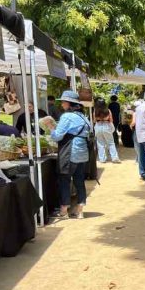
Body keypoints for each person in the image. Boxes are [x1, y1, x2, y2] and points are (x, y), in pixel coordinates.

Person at [46, 91, 91, 219]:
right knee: (79, 181)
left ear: (69, 103)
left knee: (64, 180)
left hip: (70, 152)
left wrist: (50, 127)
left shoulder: (67, 117)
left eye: (63, 101)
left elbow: (57, 136)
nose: (62, 104)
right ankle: (80, 210)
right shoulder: (84, 117)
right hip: (82, 153)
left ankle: (64, 210)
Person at [93, 99, 120, 163]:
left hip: (98, 126)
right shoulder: (108, 111)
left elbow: (94, 121)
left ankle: (102, 159)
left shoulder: (95, 111)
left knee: (100, 143)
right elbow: (111, 120)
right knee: (111, 143)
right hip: (106, 126)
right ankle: (114, 158)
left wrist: (99, 119)